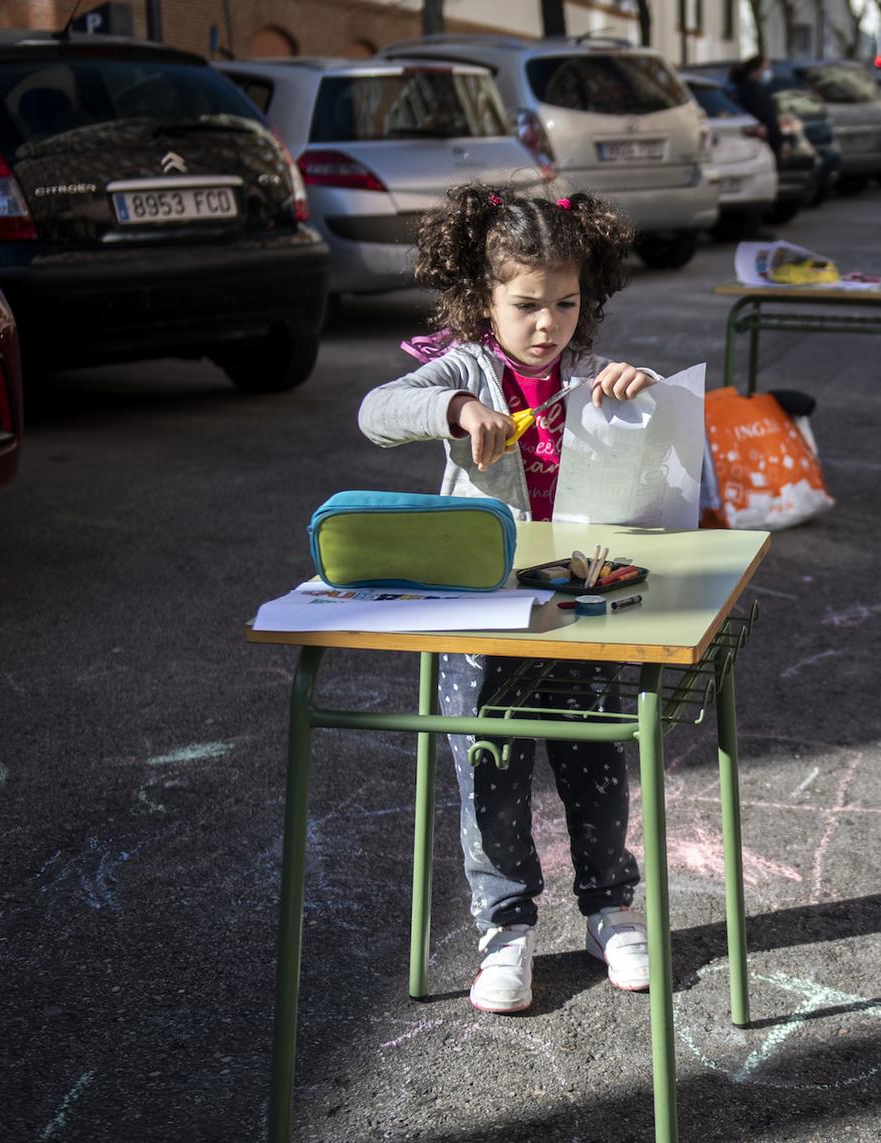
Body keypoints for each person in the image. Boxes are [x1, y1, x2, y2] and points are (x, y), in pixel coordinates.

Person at [357, 185, 663, 1014]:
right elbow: (377, 410)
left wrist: (644, 390)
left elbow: (663, 426)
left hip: (578, 594)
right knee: (488, 762)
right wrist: (455, 408)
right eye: (526, 305)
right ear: (482, 300)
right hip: (484, 603)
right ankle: (506, 926)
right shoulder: (467, 366)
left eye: (565, 304)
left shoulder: (591, 374)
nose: (547, 324)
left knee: (595, 753)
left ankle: (609, 908)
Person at [729, 54, 785, 159]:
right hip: (761, 140)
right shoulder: (751, 89)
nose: (768, 71)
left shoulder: (756, 88)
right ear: (755, 69)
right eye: (766, 68)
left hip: (766, 138)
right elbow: (764, 114)